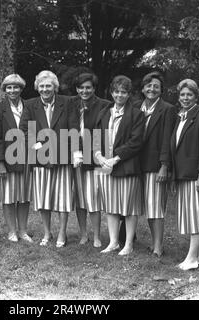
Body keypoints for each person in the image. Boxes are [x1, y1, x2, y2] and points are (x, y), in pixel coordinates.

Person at [20, 70, 76, 247]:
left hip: (63, 157)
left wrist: (74, 152)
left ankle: (62, 233)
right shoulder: (30, 104)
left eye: (48, 86)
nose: (45, 89)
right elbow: (24, 129)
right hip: (40, 158)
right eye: (42, 86)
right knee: (43, 197)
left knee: (63, 197)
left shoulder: (67, 102)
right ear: (37, 87)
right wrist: (38, 148)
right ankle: (47, 232)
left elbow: (73, 129)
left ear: (55, 87)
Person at [94, 75, 145, 256]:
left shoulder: (137, 114)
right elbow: (96, 136)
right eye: (116, 91)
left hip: (127, 166)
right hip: (105, 166)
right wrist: (98, 155)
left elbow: (136, 142)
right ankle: (114, 242)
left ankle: (128, 244)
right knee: (111, 205)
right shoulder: (104, 112)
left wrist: (116, 158)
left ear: (129, 94)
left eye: (123, 92)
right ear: (111, 92)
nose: (119, 95)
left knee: (129, 207)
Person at [170, 79, 199, 270]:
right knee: (194, 214)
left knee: (196, 215)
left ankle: (191, 258)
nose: (185, 98)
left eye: (189, 94)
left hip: (195, 175)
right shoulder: (181, 117)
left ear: (196, 96)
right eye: (182, 95)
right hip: (182, 174)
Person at [135, 71, 176, 257]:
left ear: (161, 90)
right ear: (143, 88)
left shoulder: (167, 109)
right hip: (136, 164)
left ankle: (158, 246)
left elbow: (168, 138)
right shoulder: (136, 107)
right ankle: (154, 242)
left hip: (155, 165)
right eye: (148, 86)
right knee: (148, 206)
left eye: (156, 86)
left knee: (156, 207)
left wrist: (164, 165)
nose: (152, 89)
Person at [70, 72, 111, 248]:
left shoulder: (105, 105)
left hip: (95, 156)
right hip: (75, 155)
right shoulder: (71, 104)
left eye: (88, 87)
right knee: (79, 197)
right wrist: (74, 151)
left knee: (93, 197)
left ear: (94, 88)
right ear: (77, 89)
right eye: (81, 87)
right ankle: (83, 234)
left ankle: (96, 235)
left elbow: (104, 132)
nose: (84, 91)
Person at [0, 74, 33, 243]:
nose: (12, 90)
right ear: (4, 90)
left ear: (21, 89)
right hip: (7, 159)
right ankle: (11, 231)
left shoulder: (30, 106)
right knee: (9, 196)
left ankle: (23, 230)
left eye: (16, 87)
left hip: (27, 158)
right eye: (9, 87)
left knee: (24, 196)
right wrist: (0, 163)